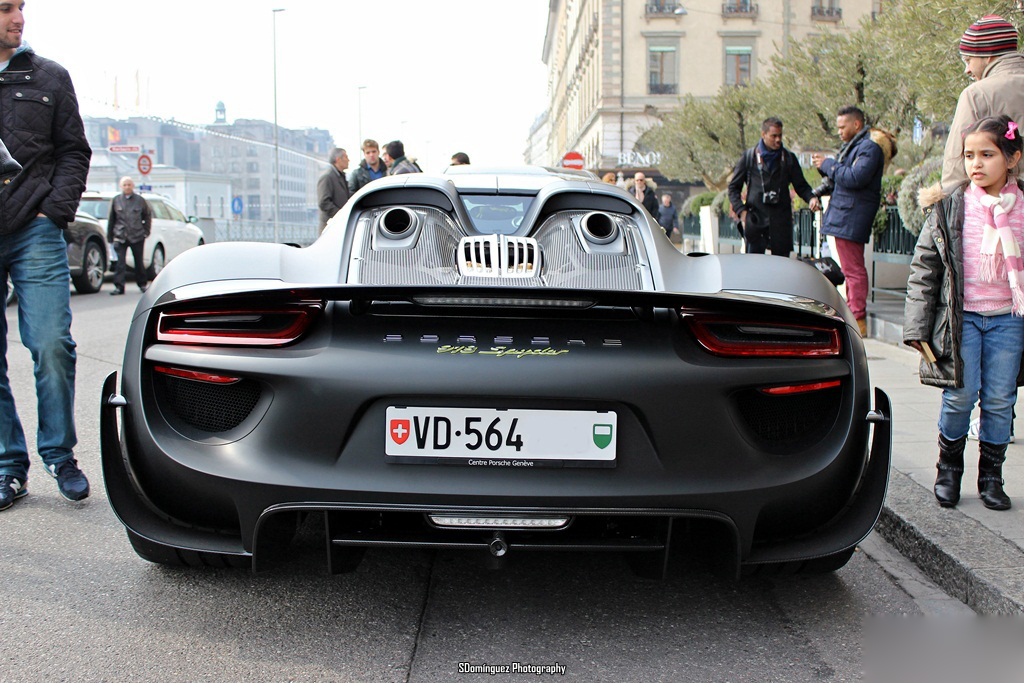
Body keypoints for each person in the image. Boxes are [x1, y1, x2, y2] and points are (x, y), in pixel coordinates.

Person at [904, 116, 1024, 511]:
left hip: (1010, 320)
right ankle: (948, 469)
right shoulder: (950, 207)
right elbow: (924, 270)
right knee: (960, 396)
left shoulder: (1022, 209)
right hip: (961, 321)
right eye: (969, 154)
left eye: (987, 155)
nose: (976, 163)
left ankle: (991, 477)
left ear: (1012, 158)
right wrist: (918, 328)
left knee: (999, 400)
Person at [0, 2, 92, 511]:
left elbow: (74, 150)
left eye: (20, 7)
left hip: (35, 230)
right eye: (5, 8)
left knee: (51, 343)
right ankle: (9, 467)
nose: (19, 18)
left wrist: (53, 212)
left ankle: (60, 455)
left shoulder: (49, 77)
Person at [811, 106, 885, 337]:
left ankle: (857, 317)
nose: (839, 131)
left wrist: (828, 164)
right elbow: (841, 179)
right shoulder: (853, 148)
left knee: (853, 270)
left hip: (852, 215)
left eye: (843, 127)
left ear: (856, 125)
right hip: (845, 215)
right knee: (850, 268)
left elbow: (854, 178)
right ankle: (854, 313)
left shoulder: (869, 149)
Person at [939, 15, 1024, 198]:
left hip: (998, 210)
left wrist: (948, 207)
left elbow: (956, 165)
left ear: (988, 55)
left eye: (969, 60)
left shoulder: (976, 94)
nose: (967, 70)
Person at [727, 117, 816, 258]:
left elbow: (801, 185)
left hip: (781, 221)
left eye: (780, 135)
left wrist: (811, 198)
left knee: (781, 267)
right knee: (754, 265)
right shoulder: (749, 157)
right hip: (755, 220)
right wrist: (742, 212)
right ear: (763, 135)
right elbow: (733, 188)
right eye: (773, 136)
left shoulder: (789, 158)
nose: (778, 140)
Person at [107, 176, 151, 295]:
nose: (127, 187)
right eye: (125, 185)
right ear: (121, 186)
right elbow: (111, 219)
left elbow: (147, 216)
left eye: (129, 184)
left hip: (137, 235)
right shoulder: (116, 200)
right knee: (120, 264)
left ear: (133, 186)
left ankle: (142, 284)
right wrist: (110, 236)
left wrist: (146, 231)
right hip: (120, 236)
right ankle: (119, 287)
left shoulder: (140, 200)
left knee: (138, 261)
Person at [317, 147, 350, 232]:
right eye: (346, 157)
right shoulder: (327, 177)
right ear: (338, 159)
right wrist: (340, 214)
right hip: (330, 228)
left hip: (338, 225)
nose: (348, 160)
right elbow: (324, 202)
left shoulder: (340, 176)